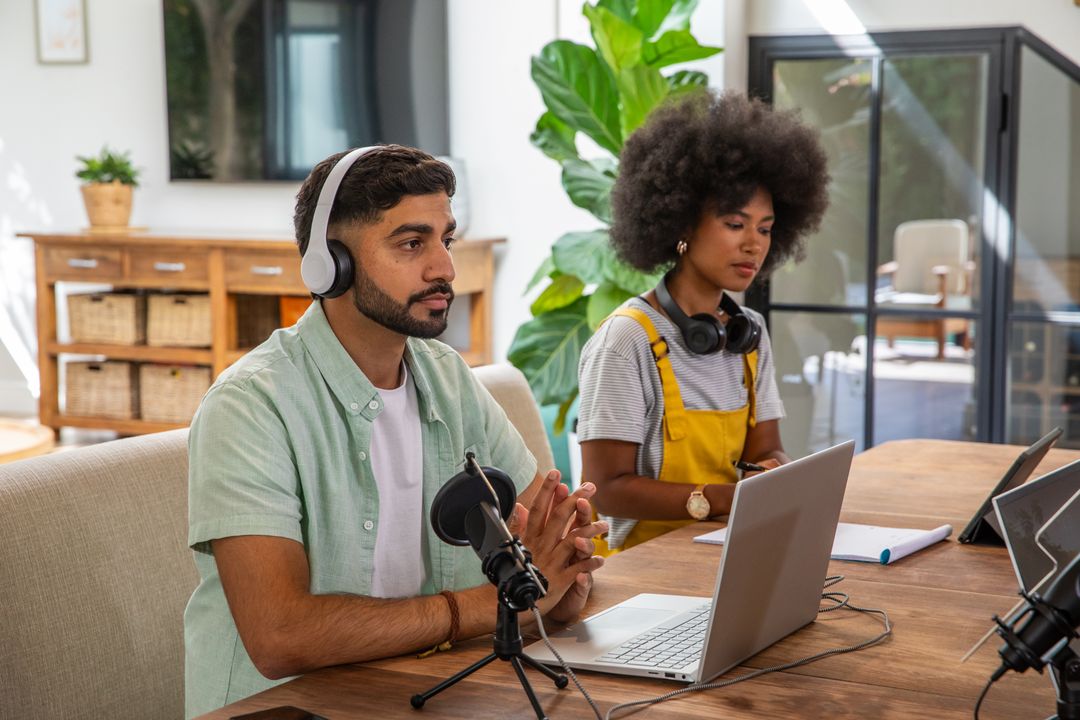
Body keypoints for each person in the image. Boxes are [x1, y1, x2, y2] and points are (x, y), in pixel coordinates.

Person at [184, 145, 607, 717]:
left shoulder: (448, 377)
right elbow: (280, 635)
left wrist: (561, 584)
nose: (445, 268)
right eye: (412, 244)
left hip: (425, 692)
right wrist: (492, 605)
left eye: (446, 240)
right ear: (330, 263)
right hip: (292, 709)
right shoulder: (250, 406)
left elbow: (544, 536)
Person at [576, 90, 830, 554]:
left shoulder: (747, 332)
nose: (754, 244)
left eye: (766, 228)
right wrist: (717, 500)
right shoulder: (626, 339)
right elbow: (604, 488)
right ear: (682, 225)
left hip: (723, 547)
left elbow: (763, 453)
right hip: (641, 570)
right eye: (736, 224)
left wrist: (777, 475)